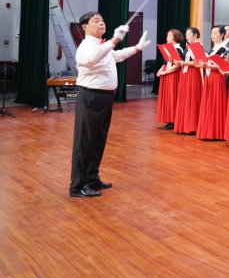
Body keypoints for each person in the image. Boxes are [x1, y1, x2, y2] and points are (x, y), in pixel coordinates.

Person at [69, 12, 150, 197]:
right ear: (85, 27)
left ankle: (91, 178)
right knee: (84, 142)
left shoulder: (102, 45)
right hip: (91, 98)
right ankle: (77, 186)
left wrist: (137, 48)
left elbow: (117, 55)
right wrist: (114, 40)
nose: (101, 23)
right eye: (96, 21)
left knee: (98, 141)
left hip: (105, 99)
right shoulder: (86, 47)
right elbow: (92, 58)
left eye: (102, 20)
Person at [196, 26, 227, 140]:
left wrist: (206, 65)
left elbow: (220, 66)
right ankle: (208, 130)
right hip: (209, 76)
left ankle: (217, 132)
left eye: (215, 33)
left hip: (217, 77)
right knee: (208, 103)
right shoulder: (213, 48)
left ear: (222, 35)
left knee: (216, 103)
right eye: (212, 33)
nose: (212, 35)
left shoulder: (223, 48)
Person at [173, 27, 203, 135]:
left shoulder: (198, 46)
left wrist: (182, 63)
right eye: (186, 35)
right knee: (184, 98)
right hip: (185, 73)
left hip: (193, 74)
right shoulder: (187, 46)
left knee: (192, 99)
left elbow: (197, 62)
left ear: (195, 35)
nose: (187, 37)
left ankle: (192, 126)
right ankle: (184, 125)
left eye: (189, 34)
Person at [156, 29, 184, 130]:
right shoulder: (168, 48)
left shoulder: (178, 49)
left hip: (173, 74)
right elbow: (165, 63)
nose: (167, 38)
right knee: (167, 97)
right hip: (166, 73)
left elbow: (177, 65)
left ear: (175, 37)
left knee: (172, 97)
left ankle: (173, 120)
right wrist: (160, 70)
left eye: (169, 36)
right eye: (167, 36)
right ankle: (168, 119)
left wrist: (166, 72)